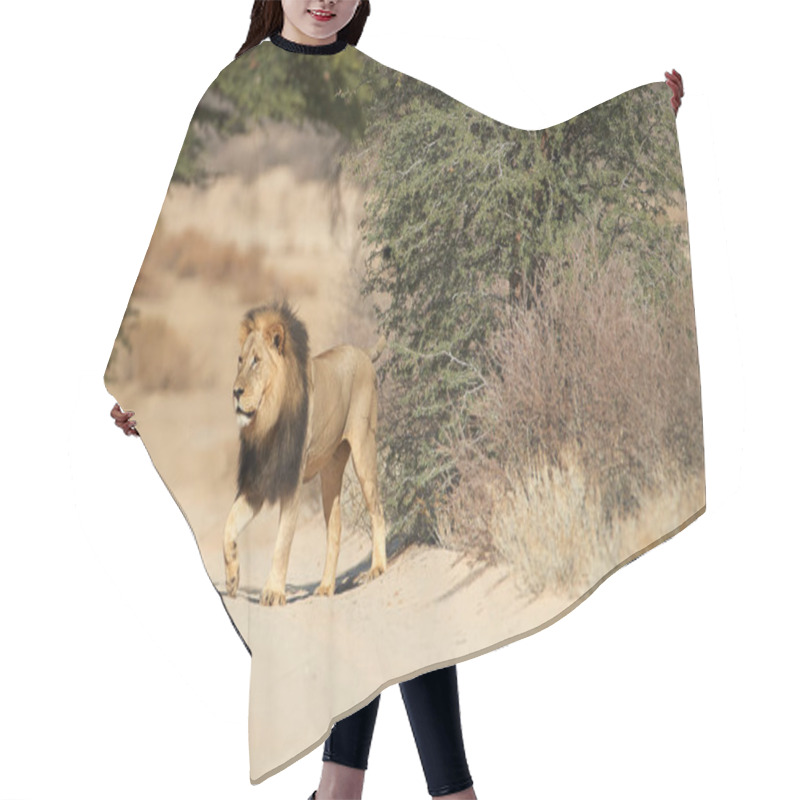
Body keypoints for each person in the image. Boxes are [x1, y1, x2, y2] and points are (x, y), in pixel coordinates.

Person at [109, 2, 685, 798]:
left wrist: (637, 130)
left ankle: (358, 790)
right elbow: (180, 249)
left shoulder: (378, 89)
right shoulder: (235, 91)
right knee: (363, 603)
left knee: (389, 595)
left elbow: (507, 156)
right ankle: (417, 791)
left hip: (363, 362)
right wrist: (137, 377)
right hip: (272, 374)